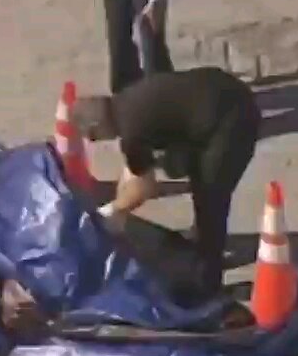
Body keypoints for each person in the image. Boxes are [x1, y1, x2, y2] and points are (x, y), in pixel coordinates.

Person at [70, 67, 261, 299]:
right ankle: (202, 248)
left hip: (232, 123)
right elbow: (132, 171)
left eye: (93, 137)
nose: (96, 142)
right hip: (227, 92)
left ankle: (209, 285)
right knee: (193, 177)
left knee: (211, 202)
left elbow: (145, 188)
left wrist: (115, 211)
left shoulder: (132, 134)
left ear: (96, 127)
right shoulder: (128, 100)